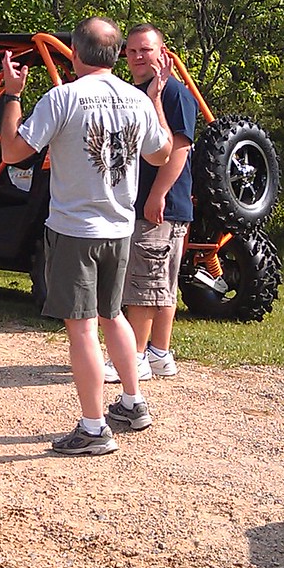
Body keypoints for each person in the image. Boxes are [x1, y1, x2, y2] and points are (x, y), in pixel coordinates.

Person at [0, 16, 172, 455]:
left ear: (74, 53)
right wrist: (154, 101)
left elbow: (13, 152)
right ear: (116, 55)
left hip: (75, 228)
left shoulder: (63, 98)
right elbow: (161, 152)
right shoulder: (135, 100)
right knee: (113, 314)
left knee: (81, 328)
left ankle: (94, 428)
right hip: (119, 226)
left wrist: (13, 96)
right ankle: (132, 403)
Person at [106, 24, 199, 382]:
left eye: (145, 50)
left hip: (160, 205)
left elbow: (178, 148)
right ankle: (160, 354)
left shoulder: (173, 92)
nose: (137, 57)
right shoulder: (138, 93)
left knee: (143, 284)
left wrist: (157, 194)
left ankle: (134, 357)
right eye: (130, 51)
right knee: (161, 284)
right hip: (148, 203)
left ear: (162, 53)